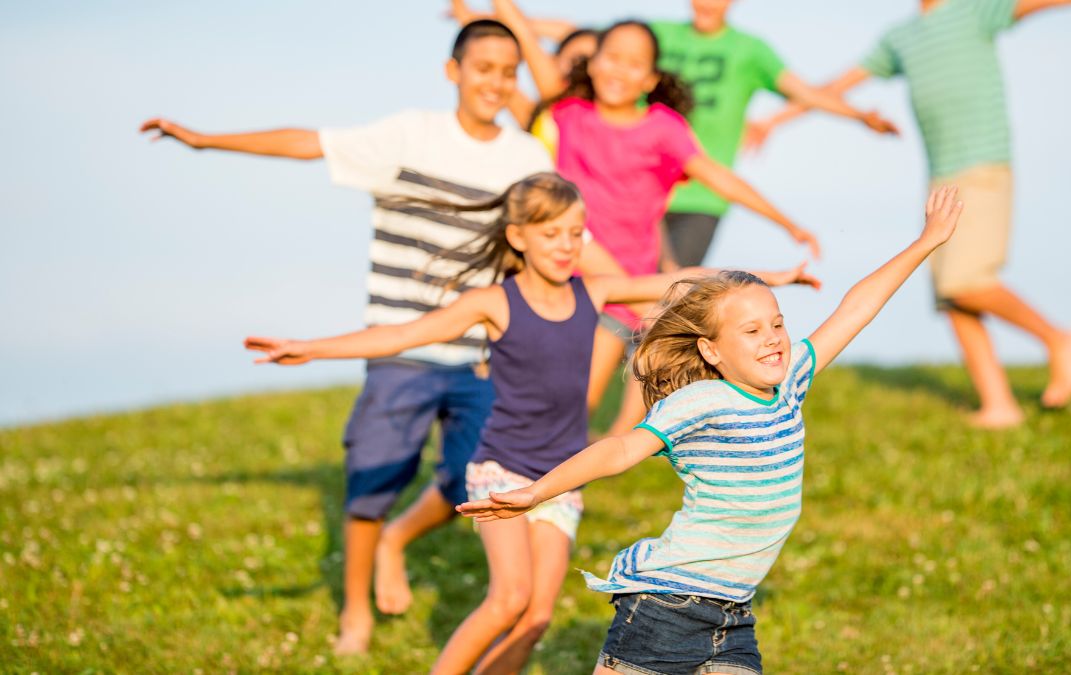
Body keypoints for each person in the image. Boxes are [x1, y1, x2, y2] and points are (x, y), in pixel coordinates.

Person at [246, 173, 820, 674]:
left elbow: (692, 282)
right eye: (552, 234)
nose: (568, 246)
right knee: (509, 598)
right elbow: (402, 335)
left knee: (537, 616)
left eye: (576, 233)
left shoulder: (593, 291)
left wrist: (774, 277)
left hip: (560, 475)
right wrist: (312, 348)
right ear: (518, 237)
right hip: (500, 466)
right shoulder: (495, 302)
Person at [140, 20, 553, 653]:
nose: (497, 81)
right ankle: (355, 612)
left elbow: (557, 243)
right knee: (371, 480)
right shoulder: (408, 134)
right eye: (483, 67)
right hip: (398, 348)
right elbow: (310, 142)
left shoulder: (527, 159)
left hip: (477, 355)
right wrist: (206, 142)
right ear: (454, 71)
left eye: (509, 70)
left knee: (478, 482)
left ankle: (398, 541)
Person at [458, 186, 964, 675]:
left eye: (777, 324)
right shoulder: (701, 402)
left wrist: (926, 242)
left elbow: (856, 308)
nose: (772, 340)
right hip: (667, 606)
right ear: (712, 351)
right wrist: (538, 492)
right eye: (751, 331)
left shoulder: (790, 383)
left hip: (733, 613)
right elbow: (618, 449)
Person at [747, 0, 1071, 427]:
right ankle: (999, 405)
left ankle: (1057, 339)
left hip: (984, 163)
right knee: (950, 296)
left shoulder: (975, 11)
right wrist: (775, 119)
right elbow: (840, 83)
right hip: (941, 175)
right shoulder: (901, 37)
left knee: (967, 282)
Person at [494, 0, 823, 438]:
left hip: (625, 292)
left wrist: (786, 222)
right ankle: (527, 472)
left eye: (634, 64)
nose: (619, 70)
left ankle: (582, 471)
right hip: (565, 277)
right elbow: (532, 49)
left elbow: (718, 178)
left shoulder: (662, 128)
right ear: (592, 64)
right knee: (545, 395)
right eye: (611, 58)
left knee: (580, 405)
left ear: (650, 78)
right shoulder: (570, 113)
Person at [651, 0, 898, 269]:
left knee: (669, 290)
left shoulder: (749, 50)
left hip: (703, 197)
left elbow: (804, 92)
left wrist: (860, 116)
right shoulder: (656, 35)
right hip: (638, 187)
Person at [449, 0, 599, 129]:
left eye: (593, 60)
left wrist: (474, 16)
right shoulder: (540, 119)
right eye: (578, 61)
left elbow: (522, 31)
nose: (585, 70)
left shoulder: (560, 104)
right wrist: (469, 16)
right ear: (552, 61)